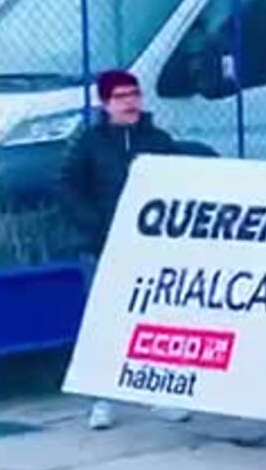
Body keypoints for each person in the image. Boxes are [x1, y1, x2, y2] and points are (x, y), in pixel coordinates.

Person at [60, 69, 187, 431]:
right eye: (120, 96)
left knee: (156, 318)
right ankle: (103, 399)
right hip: (104, 244)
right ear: (105, 103)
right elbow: (68, 188)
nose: (130, 102)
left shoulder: (160, 140)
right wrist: (96, 225)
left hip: (151, 247)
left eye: (134, 94)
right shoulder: (88, 143)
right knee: (106, 321)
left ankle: (158, 389)